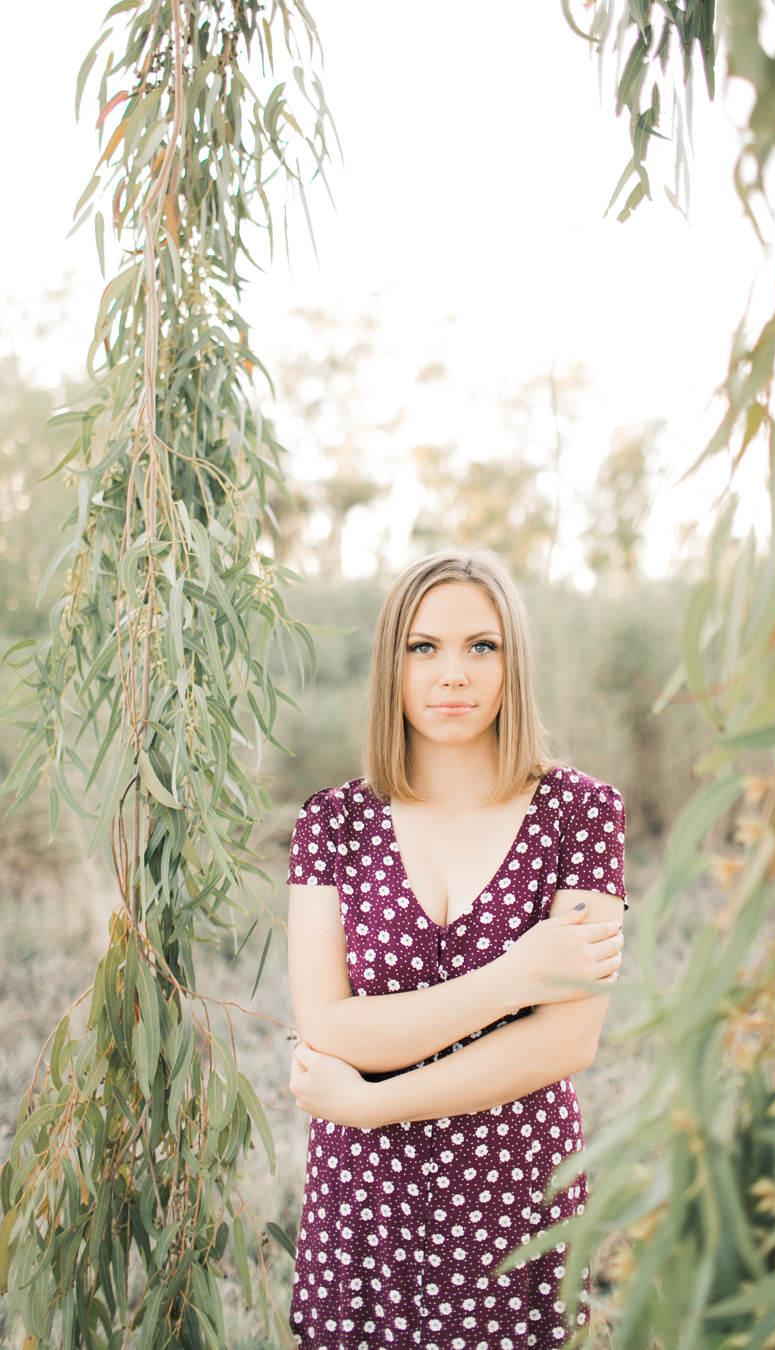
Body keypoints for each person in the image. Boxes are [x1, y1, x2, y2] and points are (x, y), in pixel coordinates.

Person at [286, 550, 626, 1350]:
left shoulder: (579, 814)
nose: (453, 675)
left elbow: (564, 1041)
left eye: (482, 646)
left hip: (512, 1196)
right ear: (390, 665)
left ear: (515, 661)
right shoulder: (332, 825)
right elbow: (328, 1029)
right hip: (365, 1206)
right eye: (423, 647)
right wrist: (518, 976)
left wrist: (370, 1101)